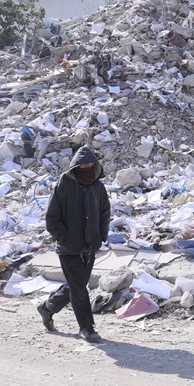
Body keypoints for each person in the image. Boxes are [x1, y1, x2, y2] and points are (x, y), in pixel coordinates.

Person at [37, 145, 111, 342]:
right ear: (75, 165)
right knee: (79, 288)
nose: (86, 167)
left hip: (90, 246)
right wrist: (64, 237)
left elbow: (105, 212)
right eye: (83, 164)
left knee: (75, 286)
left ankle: (46, 308)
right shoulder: (64, 184)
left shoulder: (97, 186)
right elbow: (52, 217)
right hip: (69, 247)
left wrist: (101, 234)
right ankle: (86, 327)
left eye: (90, 164)